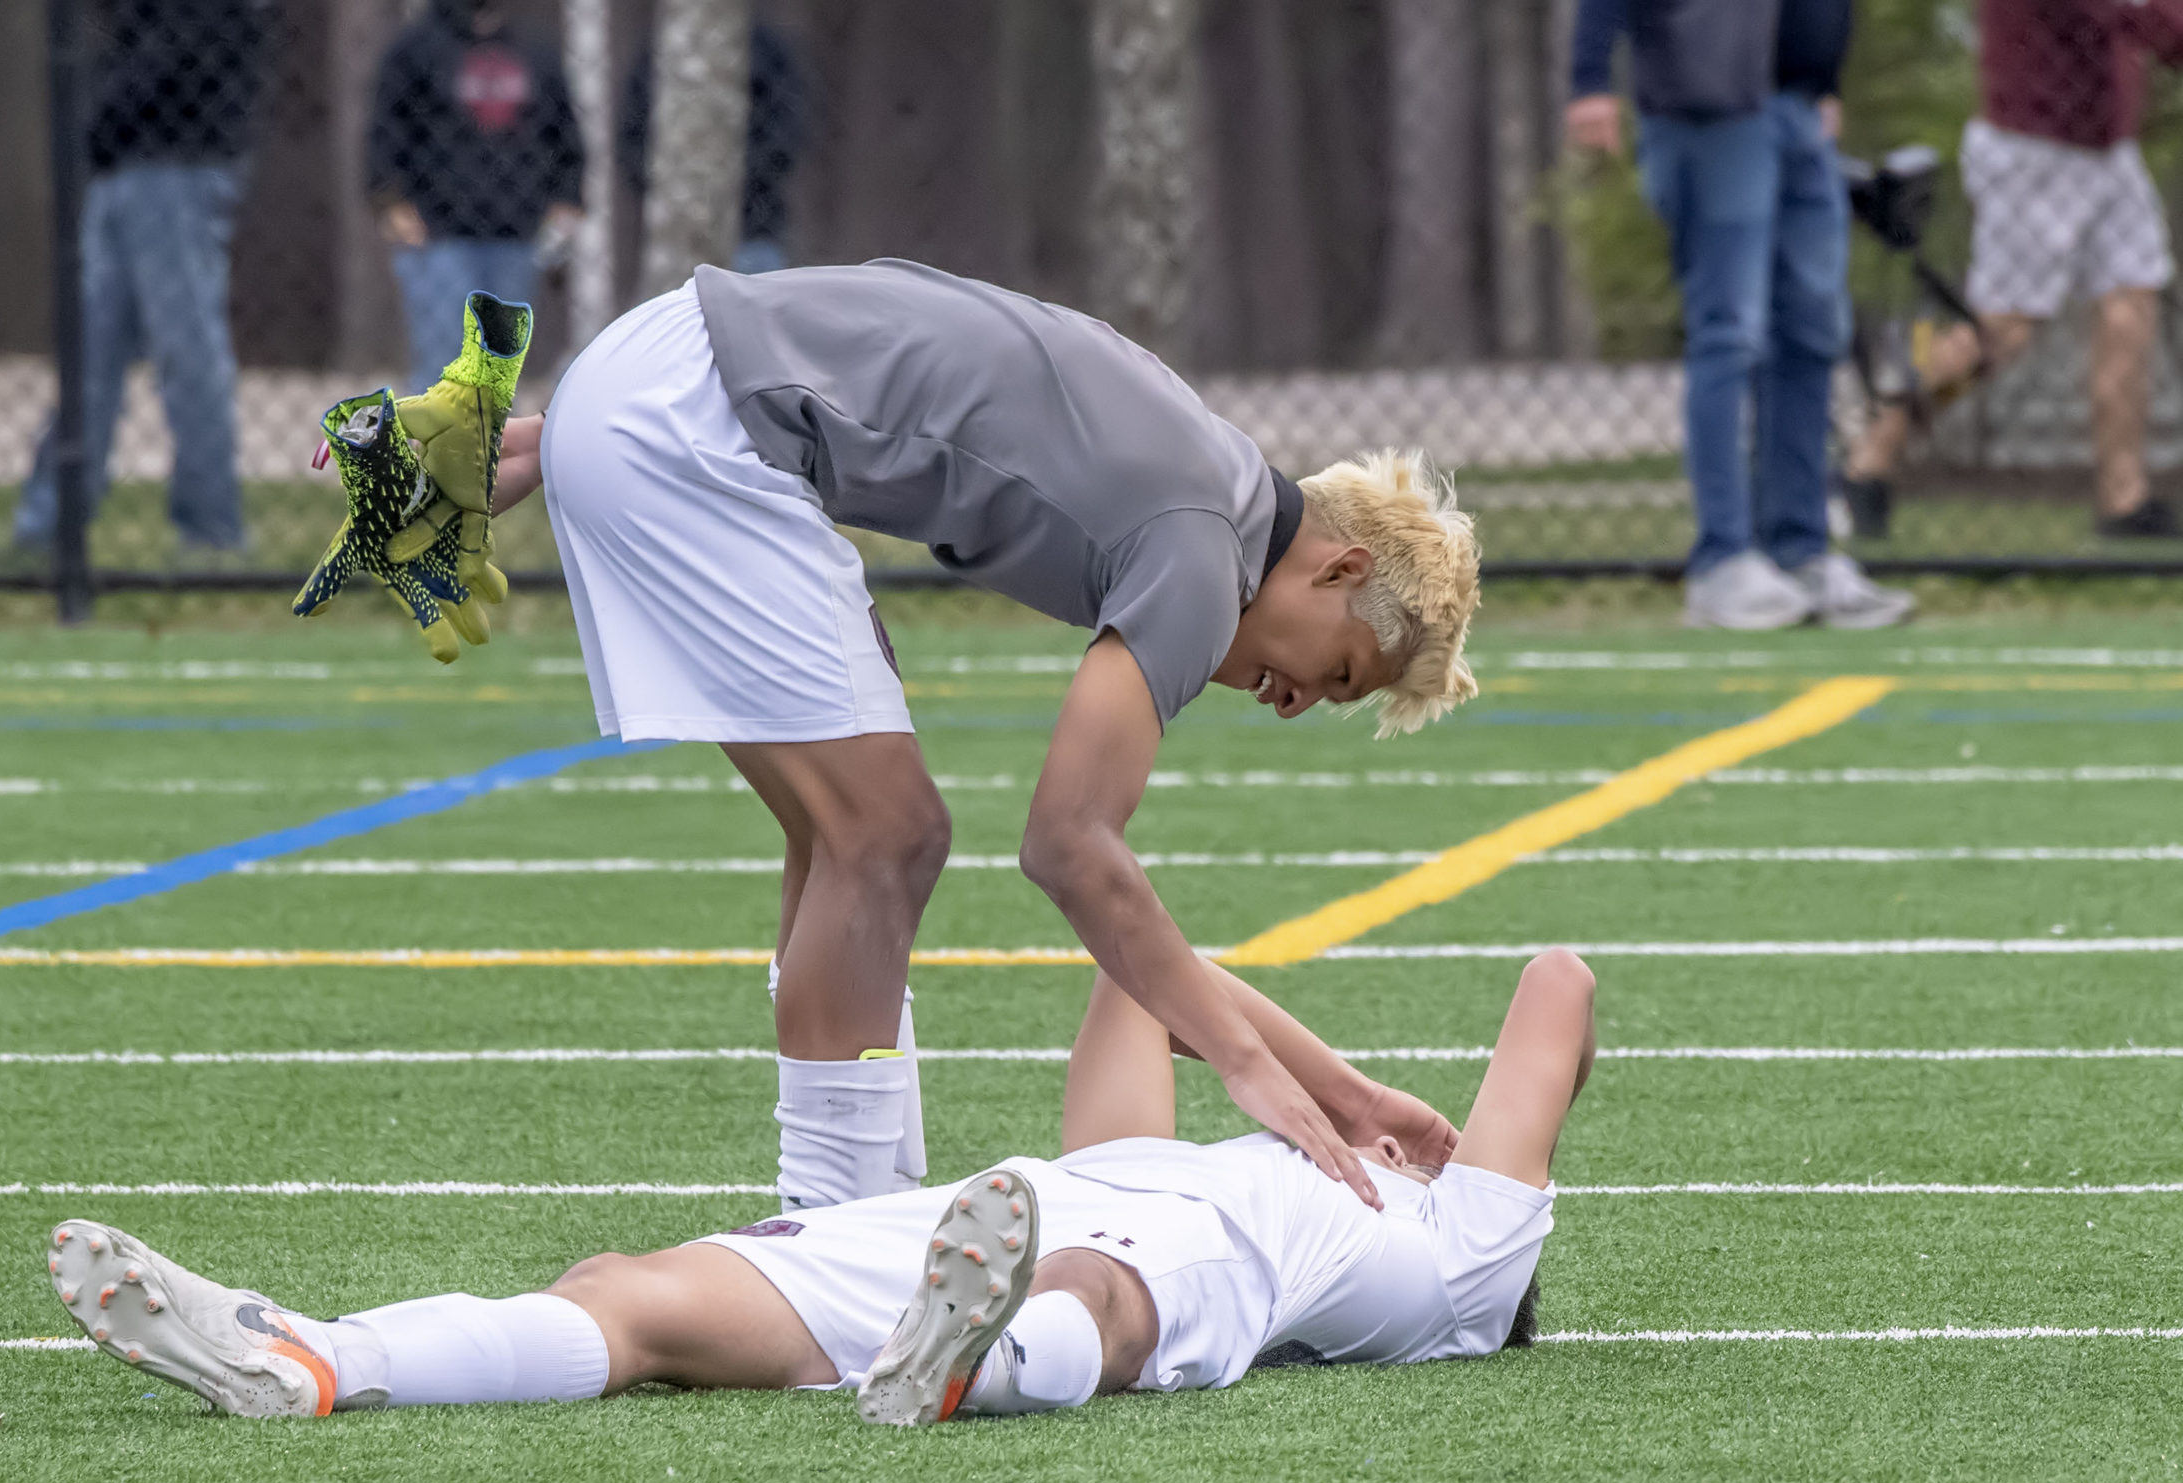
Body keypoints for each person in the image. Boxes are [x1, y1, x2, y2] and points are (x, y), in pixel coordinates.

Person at [460, 259, 1478, 1223]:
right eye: (1338, 671)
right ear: (1340, 571)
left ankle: (848, 1214)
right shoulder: (1203, 545)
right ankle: (829, 1237)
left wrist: (540, 441)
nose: (1295, 701)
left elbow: (926, 339)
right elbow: (1068, 844)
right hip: (687, 424)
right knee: (886, 835)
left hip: (665, 384)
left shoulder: (1204, 466)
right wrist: (1257, 1070)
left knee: (846, 841)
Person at [44, 950, 1587, 1423]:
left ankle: (972, 1364)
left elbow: (1556, 985)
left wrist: (1375, 1119)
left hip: (1115, 1262)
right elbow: (1152, 980)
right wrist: (1332, 1093)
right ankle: (320, 1356)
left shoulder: (1457, 1266)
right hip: (965, 1234)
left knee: (1096, 1298)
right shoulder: (1193, 1146)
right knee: (622, 1290)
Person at [1842, 0, 2183, 542]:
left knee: (2131, 305)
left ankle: (2124, 502)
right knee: (2002, 333)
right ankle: (1870, 458)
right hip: (2032, 147)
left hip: (2110, 148)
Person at [1568, 0, 1915, 629]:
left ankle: (1799, 552)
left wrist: (1821, 79)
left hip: (1796, 110)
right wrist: (1589, 78)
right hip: (1710, 105)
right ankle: (1722, 561)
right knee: (1729, 334)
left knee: (1812, 333)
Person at [12, 0, 277, 558]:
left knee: (187, 354)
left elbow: (181, 50)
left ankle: (212, 529)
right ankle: (49, 525)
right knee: (91, 353)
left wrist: (98, 124)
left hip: (178, 162)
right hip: (130, 163)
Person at [366, 0, 585, 394]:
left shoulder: (535, 48)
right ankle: (438, 454)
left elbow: (564, 136)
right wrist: (391, 202)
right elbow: (385, 131)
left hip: (517, 232)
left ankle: (487, 453)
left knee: (498, 371)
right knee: (443, 364)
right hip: (437, 232)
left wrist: (566, 204)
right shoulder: (417, 47)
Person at [620, 22, 808, 274]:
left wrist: (734, 177)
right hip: (675, 231)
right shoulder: (663, 50)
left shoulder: (763, 49)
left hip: (751, 226)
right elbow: (630, 140)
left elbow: (788, 134)